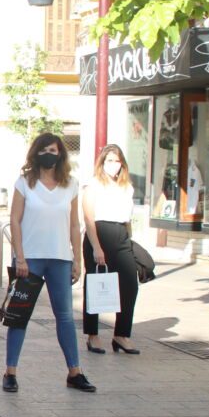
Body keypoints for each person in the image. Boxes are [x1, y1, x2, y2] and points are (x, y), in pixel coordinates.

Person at [4, 132, 95, 393]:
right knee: (19, 316)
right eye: (45, 150)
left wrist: (78, 259)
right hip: (29, 258)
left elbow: (75, 224)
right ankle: (10, 371)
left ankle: (74, 372)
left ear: (61, 154)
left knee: (65, 316)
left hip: (60, 258)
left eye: (54, 150)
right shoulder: (24, 183)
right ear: (36, 153)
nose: (49, 155)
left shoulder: (71, 185)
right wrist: (19, 256)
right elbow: (15, 220)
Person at [82, 144, 140, 355]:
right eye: (109, 161)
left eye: (117, 161)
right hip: (99, 234)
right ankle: (93, 335)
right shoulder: (94, 184)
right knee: (96, 285)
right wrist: (96, 247)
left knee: (129, 285)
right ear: (102, 162)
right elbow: (88, 218)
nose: (113, 165)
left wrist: (129, 240)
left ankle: (121, 335)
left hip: (121, 234)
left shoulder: (127, 186)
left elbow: (128, 217)